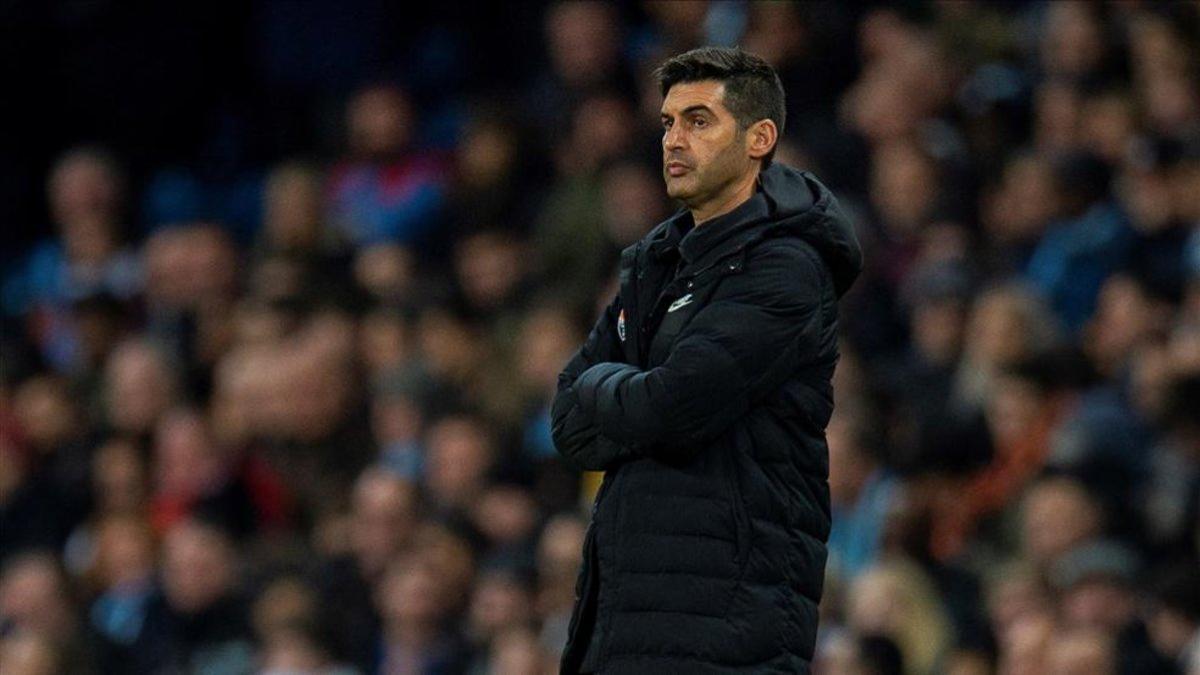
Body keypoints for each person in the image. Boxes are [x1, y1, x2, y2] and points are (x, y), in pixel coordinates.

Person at [552, 46, 862, 673]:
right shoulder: (655, 263)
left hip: (726, 626)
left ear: (759, 138)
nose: (673, 139)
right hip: (624, 619)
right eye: (668, 122)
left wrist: (601, 385)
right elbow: (568, 425)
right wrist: (620, 394)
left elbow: (668, 410)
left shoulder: (786, 269)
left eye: (698, 120)